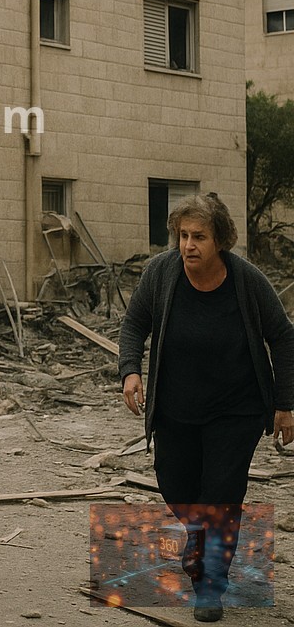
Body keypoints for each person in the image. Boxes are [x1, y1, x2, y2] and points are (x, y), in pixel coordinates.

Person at [119, 193, 294, 622]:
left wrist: (287, 404)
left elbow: (283, 337)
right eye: (183, 235)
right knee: (175, 486)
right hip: (175, 408)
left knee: (220, 494)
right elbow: (135, 322)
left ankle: (210, 585)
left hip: (237, 409)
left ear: (220, 241)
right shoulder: (162, 273)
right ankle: (199, 541)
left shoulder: (246, 280)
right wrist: (130, 371)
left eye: (199, 236)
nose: (188, 245)